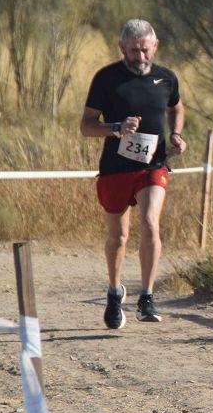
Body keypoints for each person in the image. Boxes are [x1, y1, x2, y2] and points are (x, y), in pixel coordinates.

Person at [79, 19, 186, 330]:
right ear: (121, 48)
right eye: (134, 51)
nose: (140, 57)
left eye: (145, 50)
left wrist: (176, 134)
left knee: (151, 221)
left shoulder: (166, 78)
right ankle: (114, 292)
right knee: (119, 237)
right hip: (116, 168)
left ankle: (147, 297)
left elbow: (177, 108)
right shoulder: (106, 79)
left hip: (153, 165)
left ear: (155, 46)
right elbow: (86, 125)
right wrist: (115, 128)